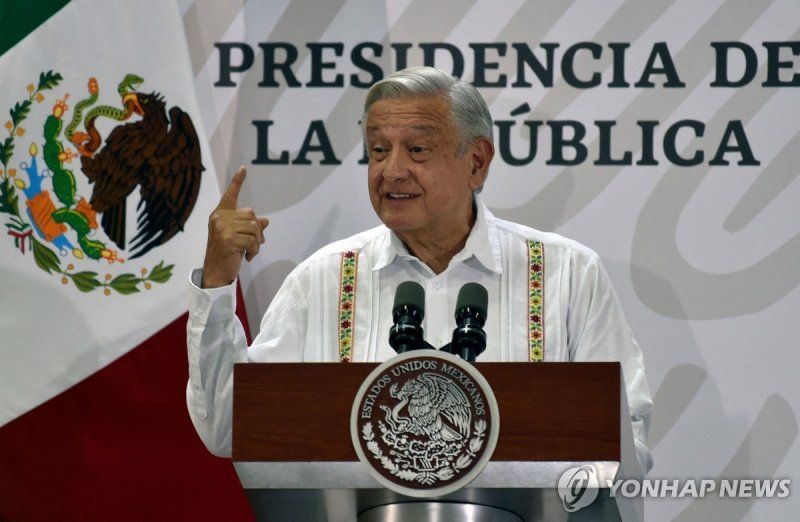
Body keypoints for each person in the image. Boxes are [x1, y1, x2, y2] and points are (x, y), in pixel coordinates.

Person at [186, 66, 653, 475]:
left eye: (418, 150)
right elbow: (231, 427)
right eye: (377, 149)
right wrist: (218, 282)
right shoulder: (323, 281)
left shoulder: (566, 274)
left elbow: (625, 438)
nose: (391, 171)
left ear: (477, 161)